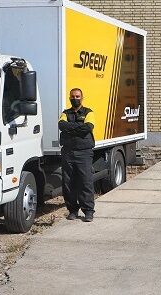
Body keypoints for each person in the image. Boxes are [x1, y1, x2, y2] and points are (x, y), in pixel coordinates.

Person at [59, 88, 96, 222]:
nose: (75, 98)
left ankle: (88, 211)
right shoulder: (65, 113)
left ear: (82, 97)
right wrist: (78, 127)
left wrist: (70, 128)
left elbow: (88, 127)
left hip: (84, 152)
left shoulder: (88, 112)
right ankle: (73, 211)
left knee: (85, 182)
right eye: (73, 96)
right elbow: (61, 125)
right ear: (70, 98)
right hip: (68, 152)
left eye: (77, 96)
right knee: (68, 183)